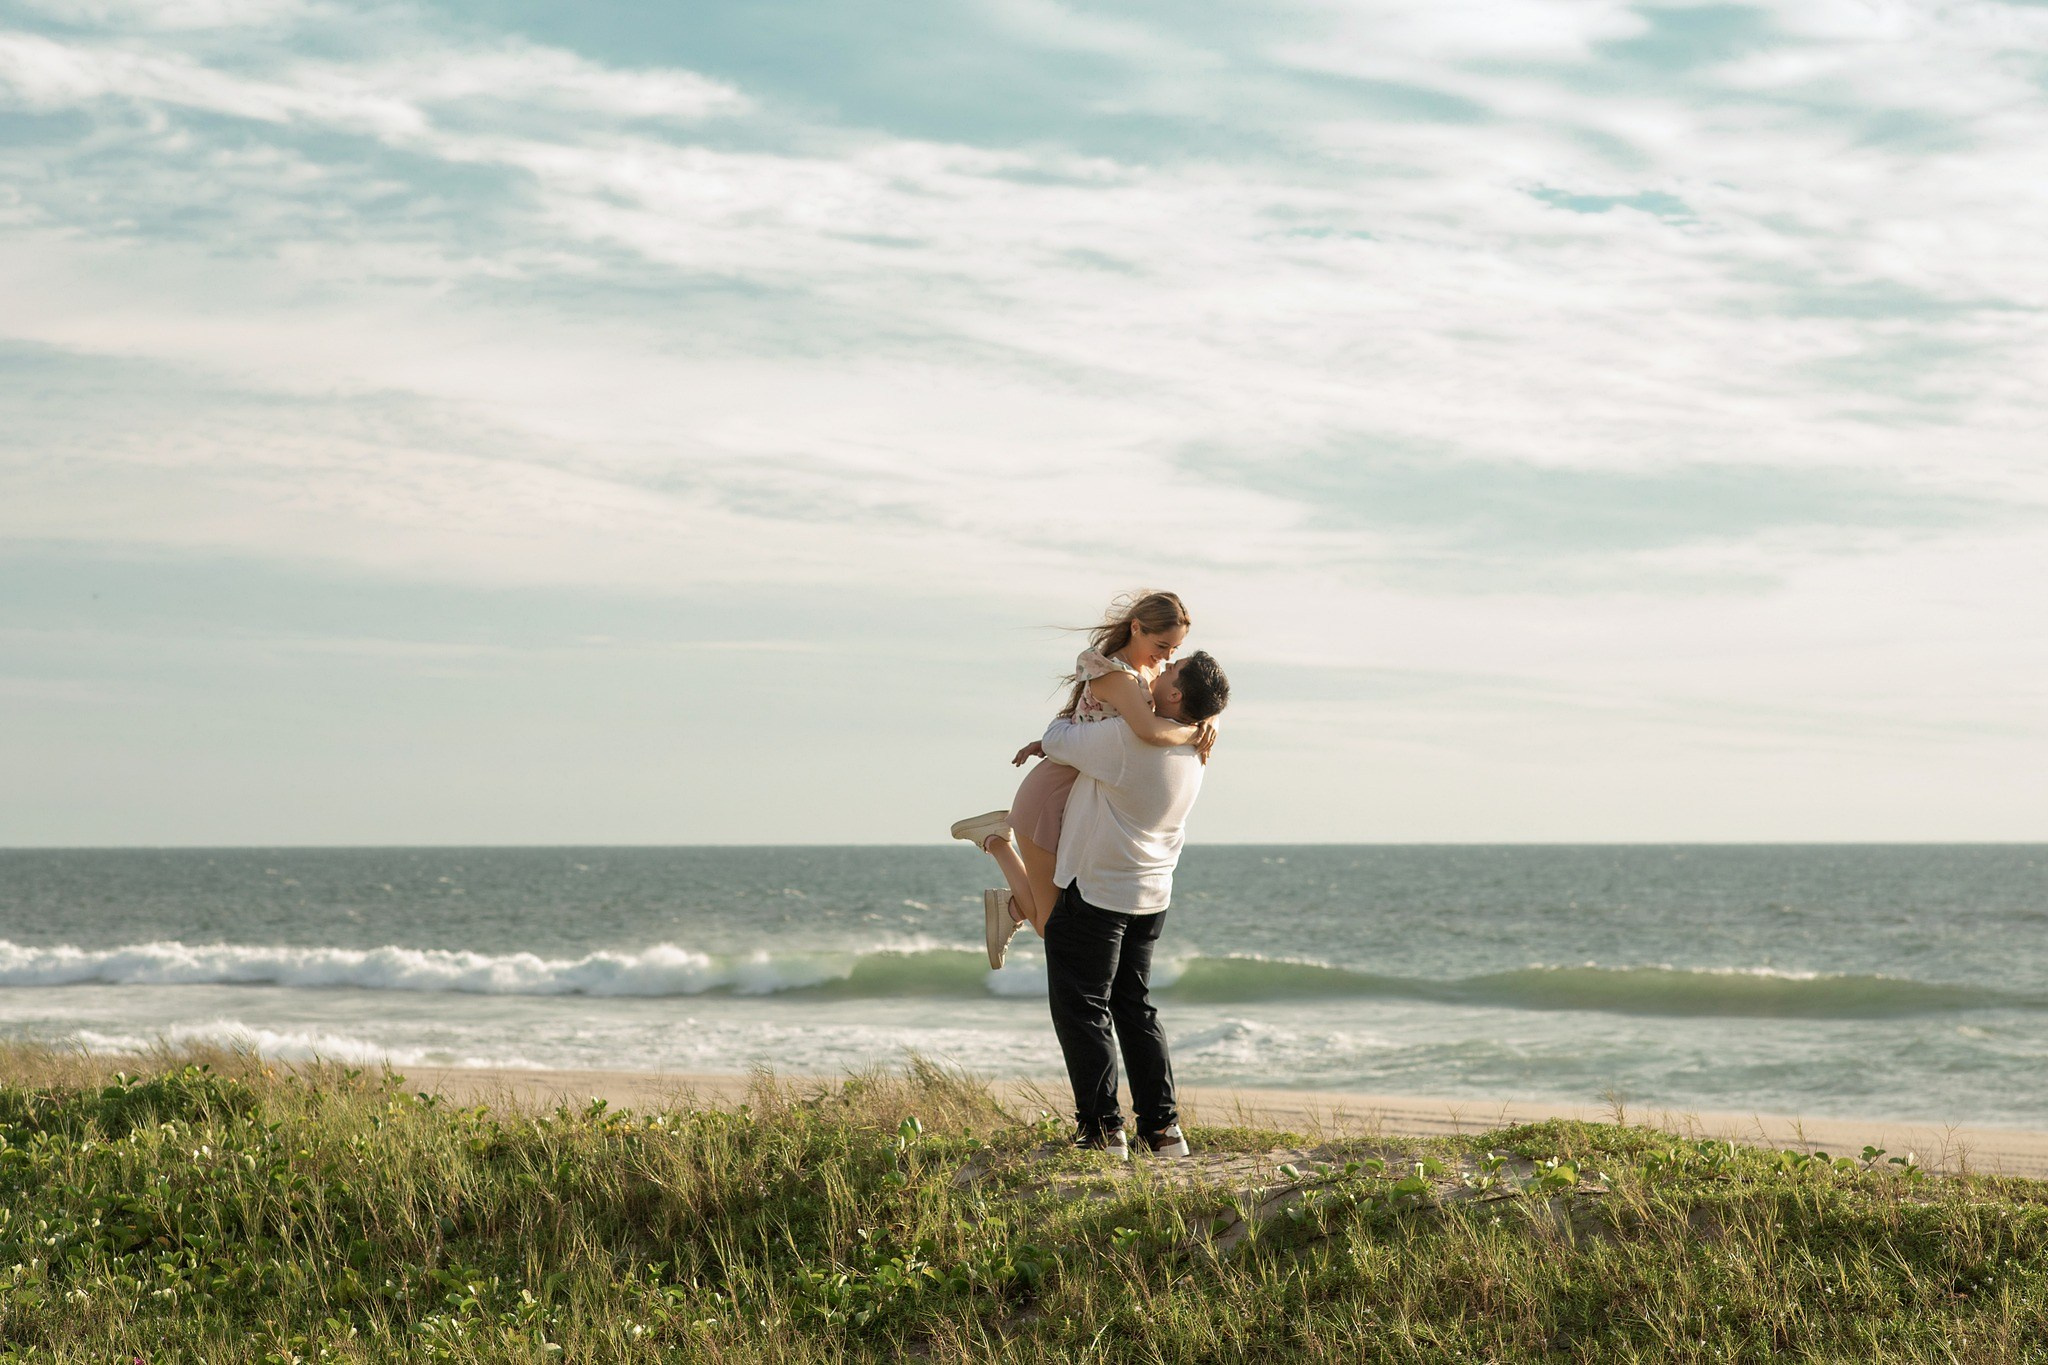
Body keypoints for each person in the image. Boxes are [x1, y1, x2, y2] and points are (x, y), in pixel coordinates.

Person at [950, 592, 1216, 970]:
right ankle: (995, 842)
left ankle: (1013, 905)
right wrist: (1196, 731)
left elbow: (1188, 699)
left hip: (1081, 794)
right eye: (1161, 646)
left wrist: (1211, 718)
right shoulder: (1118, 676)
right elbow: (1149, 731)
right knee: (1052, 927)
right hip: (1050, 797)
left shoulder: (1149, 674)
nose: (1167, 656)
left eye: (1175, 649)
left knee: (1057, 918)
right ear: (1136, 628)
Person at [1033, 650, 1230, 1158]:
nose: (1159, 669)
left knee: (1082, 1010)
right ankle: (1162, 1131)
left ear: (1176, 695)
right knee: (1135, 1009)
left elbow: (1056, 738)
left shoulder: (1125, 739)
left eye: (1170, 670)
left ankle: (1102, 1131)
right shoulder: (1196, 750)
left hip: (1098, 891)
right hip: (1151, 896)